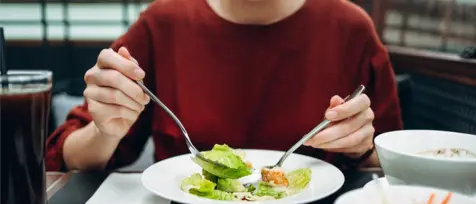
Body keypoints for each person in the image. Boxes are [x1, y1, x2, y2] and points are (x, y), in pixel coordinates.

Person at [46, 0, 403, 172]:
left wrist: (360, 148)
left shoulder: (351, 28)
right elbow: (65, 158)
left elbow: (393, 165)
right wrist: (106, 131)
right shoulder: (163, 22)